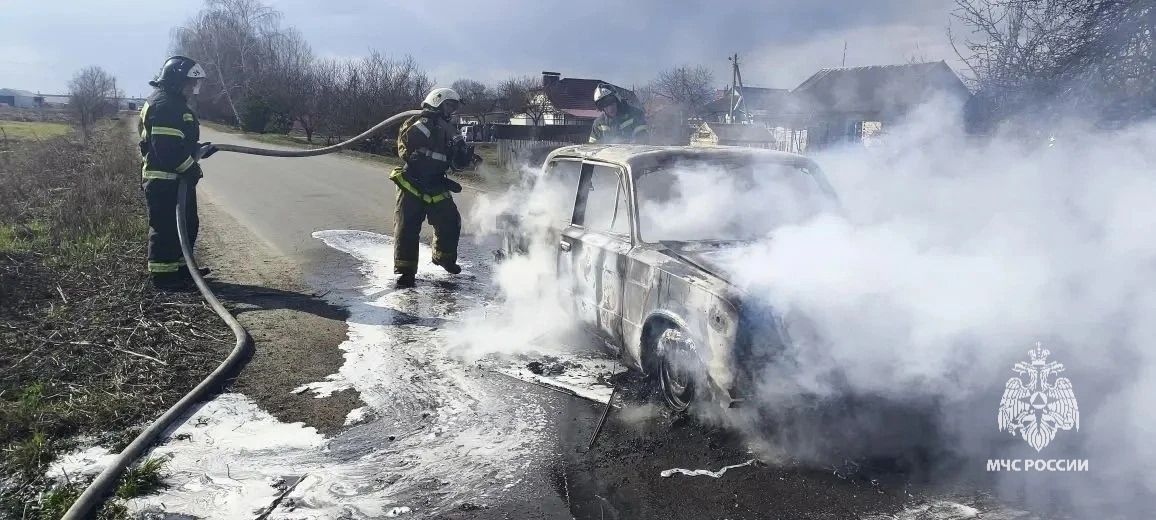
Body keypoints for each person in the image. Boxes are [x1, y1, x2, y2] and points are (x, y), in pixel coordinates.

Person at [139, 55, 218, 291]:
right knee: (166, 229)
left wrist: (198, 151)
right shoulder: (165, 106)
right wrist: (190, 169)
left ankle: (184, 269)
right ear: (176, 81)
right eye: (190, 83)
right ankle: (164, 278)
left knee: (187, 224)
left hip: (175, 179)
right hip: (163, 181)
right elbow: (167, 150)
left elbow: (177, 142)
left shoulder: (172, 103)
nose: (193, 89)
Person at [390, 87, 479, 288]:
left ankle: (444, 258)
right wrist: (428, 122)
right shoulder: (418, 122)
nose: (451, 111)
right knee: (407, 227)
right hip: (412, 181)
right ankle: (406, 272)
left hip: (436, 182)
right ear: (437, 102)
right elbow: (407, 143)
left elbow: (455, 163)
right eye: (449, 105)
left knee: (450, 221)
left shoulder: (450, 130)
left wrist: (464, 157)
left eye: (454, 107)